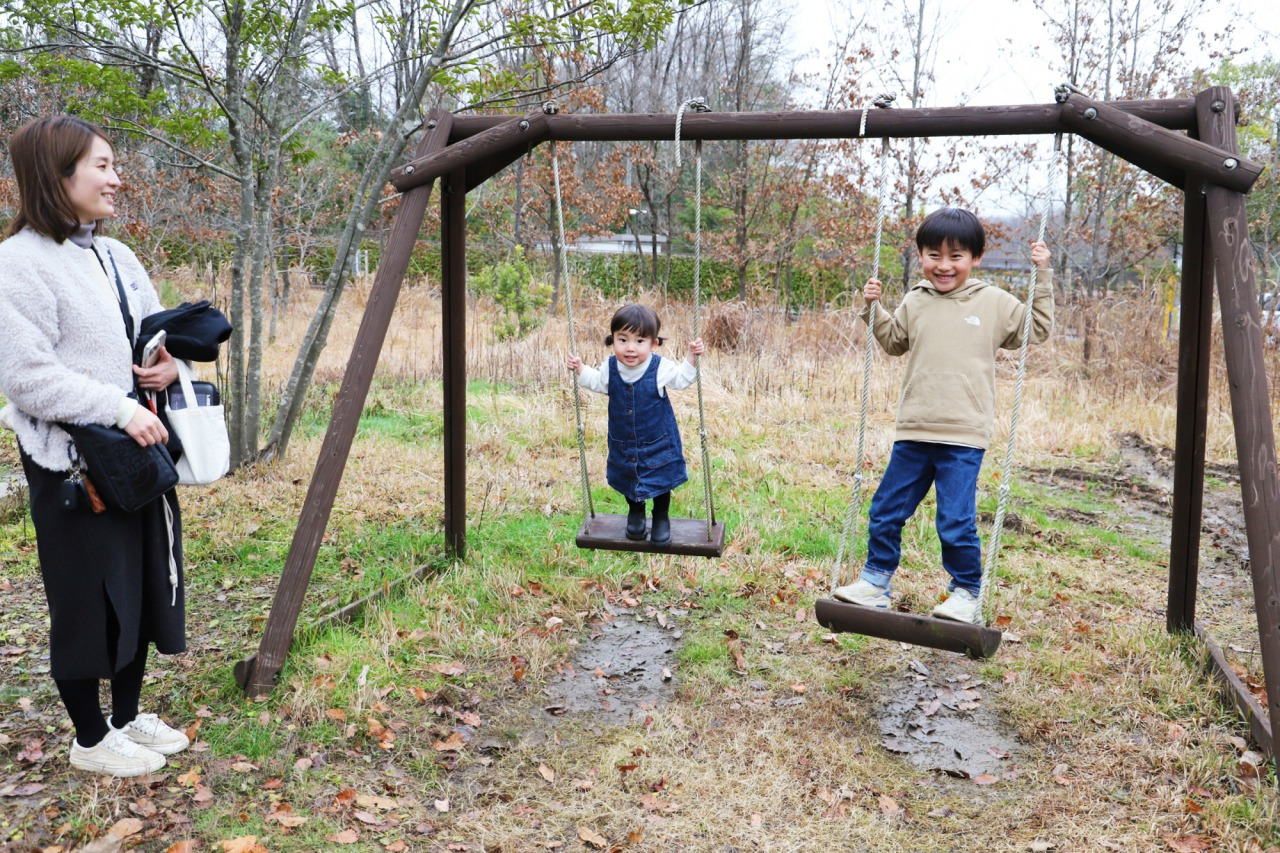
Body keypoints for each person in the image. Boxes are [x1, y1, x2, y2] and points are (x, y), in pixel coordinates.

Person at [0, 116, 190, 776]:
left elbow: (151, 337)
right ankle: (89, 736)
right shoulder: (18, 262)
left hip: (133, 453)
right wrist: (115, 406)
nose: (117, 178)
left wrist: (169, 370)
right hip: (71, 462)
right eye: (102, 165)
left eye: (115, 164)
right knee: (87, 594)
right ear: (58, 176)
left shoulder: (115, 255)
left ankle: (125, 713)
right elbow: (26, 376)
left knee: (137, 586)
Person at [832, 207, 1053, 624]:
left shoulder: (994, 303)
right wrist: (873, 309)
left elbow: (1037, 330)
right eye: (934, 255)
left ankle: (966, 592)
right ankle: (875, 582)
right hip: (914, 428)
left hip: (964, 434)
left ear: (976, 258)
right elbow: (895, 342)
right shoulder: (916, 300)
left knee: (954, 519)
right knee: (885, 510)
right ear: (920, 257)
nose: (944, 265)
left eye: (956, 256)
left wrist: (1042, 276)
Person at [566, 304, 705, 546]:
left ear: (653, 344)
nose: (630, 348)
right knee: (629, 478)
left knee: (660, 480)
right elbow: (596, 382)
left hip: (658, 442)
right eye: (623, 339)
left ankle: (661, 517)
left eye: (639, 341)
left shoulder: (660, 368)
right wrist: (580, 369)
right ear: (613, 341)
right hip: (624, 443)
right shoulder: (610, 368)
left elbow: (682, 379)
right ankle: (636, 513)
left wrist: (692, 358)